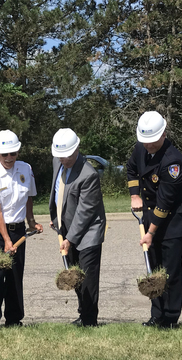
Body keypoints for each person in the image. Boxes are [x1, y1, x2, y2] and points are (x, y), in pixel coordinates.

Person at [127, 111, 182, 328]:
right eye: (145, 141)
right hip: (150, 216)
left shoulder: (173, 162)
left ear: (164, 134)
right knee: (153, 268)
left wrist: (149, 233)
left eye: (152, 141)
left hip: (174, 222)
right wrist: (135, 194)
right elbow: (131, 169)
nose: (148, 145)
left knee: (170, 271)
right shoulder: (141, 148)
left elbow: (165, 203)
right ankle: (156, 314)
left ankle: (170, 317)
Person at [0, 130, 43, 329]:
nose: (9, 158)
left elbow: (29, 197)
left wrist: (31, 222)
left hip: (18, 229)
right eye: (4, 154)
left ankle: (14, 320)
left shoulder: (25, 169)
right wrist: (6, 240)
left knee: (15, 275)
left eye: (13, 153)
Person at [49, 128, 106, 327]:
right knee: (74, 274)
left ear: (77, 150)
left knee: (87, 278)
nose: (63, 160)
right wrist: (57, 219)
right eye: (60, 156)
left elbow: (85, 212)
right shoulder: (58, 161)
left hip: (88, 231)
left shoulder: (88, 174)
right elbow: (59, 193)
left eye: (67, 156)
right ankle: (82, 314)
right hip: (67, 229)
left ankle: (90, 321)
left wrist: (70, 238)